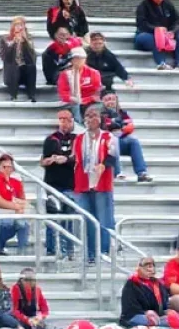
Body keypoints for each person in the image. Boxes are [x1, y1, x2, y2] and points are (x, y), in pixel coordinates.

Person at [73, 105, 116, 263]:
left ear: (101, 119)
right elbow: (76, 159)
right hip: (83, 183)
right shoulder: (78, 138)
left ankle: (104, 253)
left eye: (95, 115)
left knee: (103, 220)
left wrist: (103, 165)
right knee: (88, 220)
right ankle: (90, 254)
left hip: (101, 184)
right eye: (88, 116)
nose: (91, 118)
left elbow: (112, 156)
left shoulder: (108, 137)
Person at [39, 108, 77, 258]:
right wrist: (50, 160)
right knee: (53, 216)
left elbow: (77, 158)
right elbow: (43, 160)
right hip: (52, 184)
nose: (64, 123)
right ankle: (51, 249)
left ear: (72, 120)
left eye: (67, 119)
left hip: (70, 183)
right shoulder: (50, 139)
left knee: (69, 217)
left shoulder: (76, 139)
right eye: (61, 119)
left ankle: (69, 249)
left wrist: (66, 159)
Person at [99, 91, 151, 182]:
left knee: (133, 141)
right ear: (102, 102)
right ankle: (117, 172)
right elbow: (105, 127)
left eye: (113, 99)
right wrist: (119, 125)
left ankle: (142, 173)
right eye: (107, 100)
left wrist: (118, 127)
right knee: (113, 139)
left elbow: (130, 127)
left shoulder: (123, 113)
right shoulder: (99, 114)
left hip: (120, 140)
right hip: (104, 146)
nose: (110, 102)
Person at [134, 0, 179, 71]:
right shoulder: (143, 5)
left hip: (166, 34)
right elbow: (141, 24)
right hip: (145, 35)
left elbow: (177, 21)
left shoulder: (168, 4)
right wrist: (156, 30)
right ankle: (161, 63)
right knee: (157, 38)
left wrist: (173, 31)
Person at [119, 256, 170, 328]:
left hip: (156, 315)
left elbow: (164, 304)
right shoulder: (132, 283)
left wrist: (167, 310)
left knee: (173, 319)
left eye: (151, 265)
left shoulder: (157, 284)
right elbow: (130, 307)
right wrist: (146, 312)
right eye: (146, 265)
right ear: (139, 268)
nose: (149, 267)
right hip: (134, 315)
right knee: (153, 321)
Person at [57, 46, 103, 123]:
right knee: (75, 105)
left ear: (85, 60)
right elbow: (63, 93)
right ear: (71, 60)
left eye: (80, 58)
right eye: (75, 58)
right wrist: (75, 99)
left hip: (90, 101)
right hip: (72, 102)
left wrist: (84, 100)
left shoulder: (94, 73)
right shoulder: (65, 74)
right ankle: (79, 127)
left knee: (96, 108)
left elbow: (97, 92)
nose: (78, 61)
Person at [0, 17, 37, 102]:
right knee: (15, 67)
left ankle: (32, 95)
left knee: (32, 67)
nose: (19, 27)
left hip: (24, 73)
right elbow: (5, 57)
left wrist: (25, 42)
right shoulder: (5, 39)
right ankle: (13, 96)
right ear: (12, 27)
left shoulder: (29, 38)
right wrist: (14, 43)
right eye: (17, 25)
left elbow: (33, 58)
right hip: (11, 73)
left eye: (21, 25)